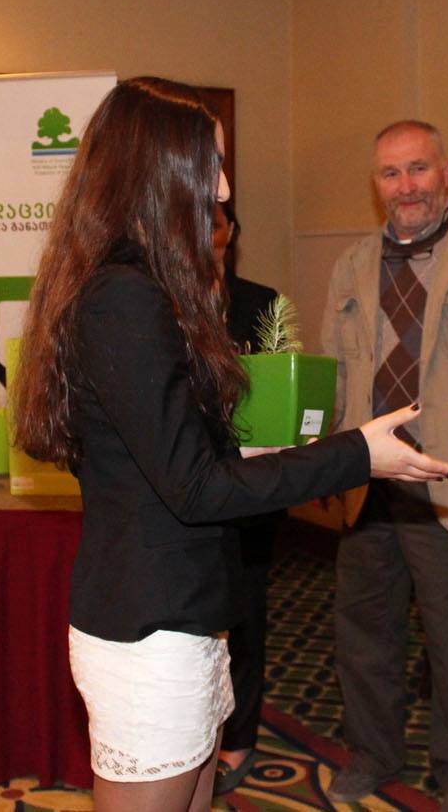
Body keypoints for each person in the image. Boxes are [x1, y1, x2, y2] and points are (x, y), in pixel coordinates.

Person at [12, 77, 448, 812]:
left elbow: (185, 463)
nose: (221, 189)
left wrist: (298, 453)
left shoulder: (142, 288)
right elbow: (196, 489)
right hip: (151, 630)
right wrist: (355, 455)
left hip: (181, 618)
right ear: (158, 170)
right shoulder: (124, 297)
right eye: (209, 165)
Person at [320, 120, 448, 810]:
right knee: (364, 634)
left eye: (419, 169)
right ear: (377, 185)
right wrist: (328, 464)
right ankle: (373, 752)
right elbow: (337, 375)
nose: (407, 187)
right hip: (369, 481)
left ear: (447, 172)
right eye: (391, 174)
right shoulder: (351, 265)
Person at [208, 200, 281, 795]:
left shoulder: (263, 303)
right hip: (187, 486)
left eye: (215, 219)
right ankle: (200, 734)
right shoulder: (163, 300)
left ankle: (239, 735)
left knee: (246, 617)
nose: (206, 230)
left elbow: (284, 392)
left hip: (251, 486)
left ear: (232, 230)